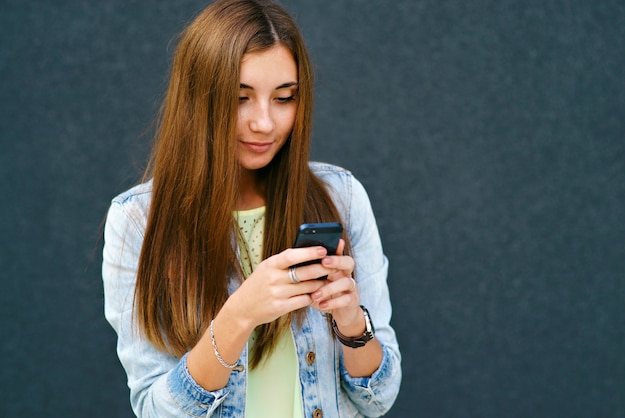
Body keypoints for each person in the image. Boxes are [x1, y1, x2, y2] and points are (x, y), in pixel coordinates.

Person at [102, 0, 401, 416]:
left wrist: (352, 322)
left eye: (284, 98)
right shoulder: (138, 221)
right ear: (199, 98)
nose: (264, 123)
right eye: (241, 98)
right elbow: (155, 410)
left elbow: (379, 399)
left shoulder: (342, 196)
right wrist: (238, 315)